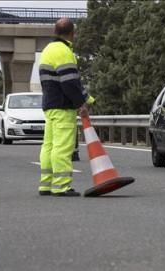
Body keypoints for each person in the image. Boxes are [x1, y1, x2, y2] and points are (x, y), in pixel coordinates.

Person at [38, 18, 95, 197]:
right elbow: (70, 82)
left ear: (54, 32)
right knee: (62, 147)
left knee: (49, 146)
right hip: (63, 107)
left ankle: (46, 184)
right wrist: (81, 104)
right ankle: (61, 186)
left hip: (50, 105)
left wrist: (87, 97)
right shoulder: (64, 52)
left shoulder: (47, 50)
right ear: (72, 33)